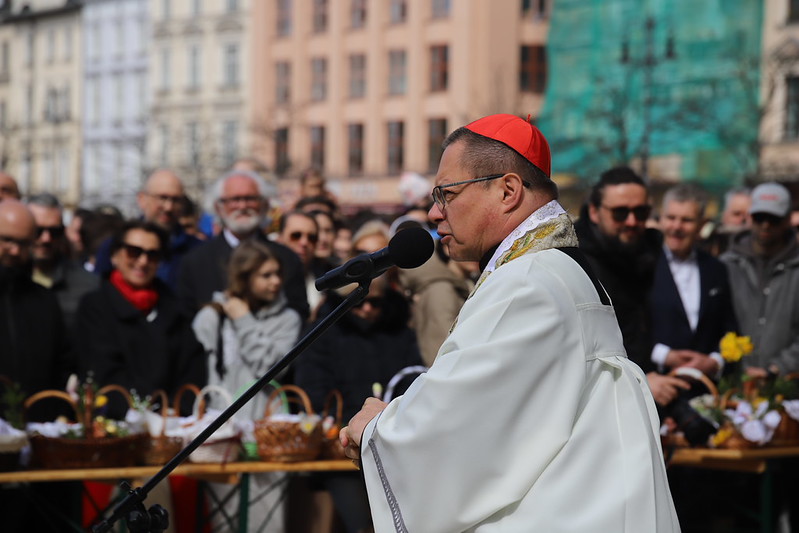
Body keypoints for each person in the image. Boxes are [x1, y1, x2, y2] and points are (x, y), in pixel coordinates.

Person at [340, 114, 679, 532]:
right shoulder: (554, 269)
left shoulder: (526, 284)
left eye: (446, 193)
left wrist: (375, 430)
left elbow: (455, 426)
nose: (433, 212)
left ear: (507, 190)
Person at [296, 274, 423, 533]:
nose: (367, 309)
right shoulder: (323, 332)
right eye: (360, 302)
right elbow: (314, 388)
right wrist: (352, 426)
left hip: (392, 443)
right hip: (342, 446)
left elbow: (412, 379)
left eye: (375, 303)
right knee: (362, 524)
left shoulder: (399, 332)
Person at [192, 241, 302, 533]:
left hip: (266, 435)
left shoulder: (287, 319)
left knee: (267, 523)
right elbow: (196, 372)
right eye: (265, 275)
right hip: (221, 436)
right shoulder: (211, 317)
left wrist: (243, 319)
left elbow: (271, 368)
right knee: (222, 522)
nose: (276, 281)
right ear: (244, 277)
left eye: (277, 273)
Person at [573, 167, 691, 406]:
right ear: (594, 212)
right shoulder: (574, 261)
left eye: (641, 212)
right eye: (620, 213)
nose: (632, 221)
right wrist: (641, 380)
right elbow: (583, 347)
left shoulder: (653, 250)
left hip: (657, 391)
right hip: (601, 402)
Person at [720, 181, 799, 531]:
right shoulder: (725, 265)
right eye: (760, 218)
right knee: (742, 501)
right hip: (736, 397)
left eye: (774, 219)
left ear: (787, 221)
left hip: (789, 398)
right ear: (751, 218)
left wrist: (776, 368)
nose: (766, 227)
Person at [0, 200, 80, 532]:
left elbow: (61, 368)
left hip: (38, 453)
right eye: (6, 240)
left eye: (23, 243)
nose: (14, 251)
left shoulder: (44, 301)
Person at [76, 220, 206, 417]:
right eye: (134, 251)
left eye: (152, 255)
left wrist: (174, 408)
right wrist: (140, 412)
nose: (143, 261)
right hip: (117, 422)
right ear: (115, 255)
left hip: (170, 423)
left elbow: (191, 367)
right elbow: (101, 370)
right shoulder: (95, 306)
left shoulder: (174, 308)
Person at [177, 169, 309, 320]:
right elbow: (187, 321)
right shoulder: (195, 262)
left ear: (264, 205)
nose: (242, 206)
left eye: (250, 198)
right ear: (219, 207)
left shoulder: (287, 259)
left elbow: (299, 315)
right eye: (234, 199)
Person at [94, 169, 203, 289]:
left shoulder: (198, 251)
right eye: (162, 198)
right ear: (142, 199)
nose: (168, 207)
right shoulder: (115, 246)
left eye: (175, 200)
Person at [27, 193, 99, 333]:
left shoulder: (88, 285)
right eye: (38, 230)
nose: (46, 238)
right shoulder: (8, 282)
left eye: (55, 231)